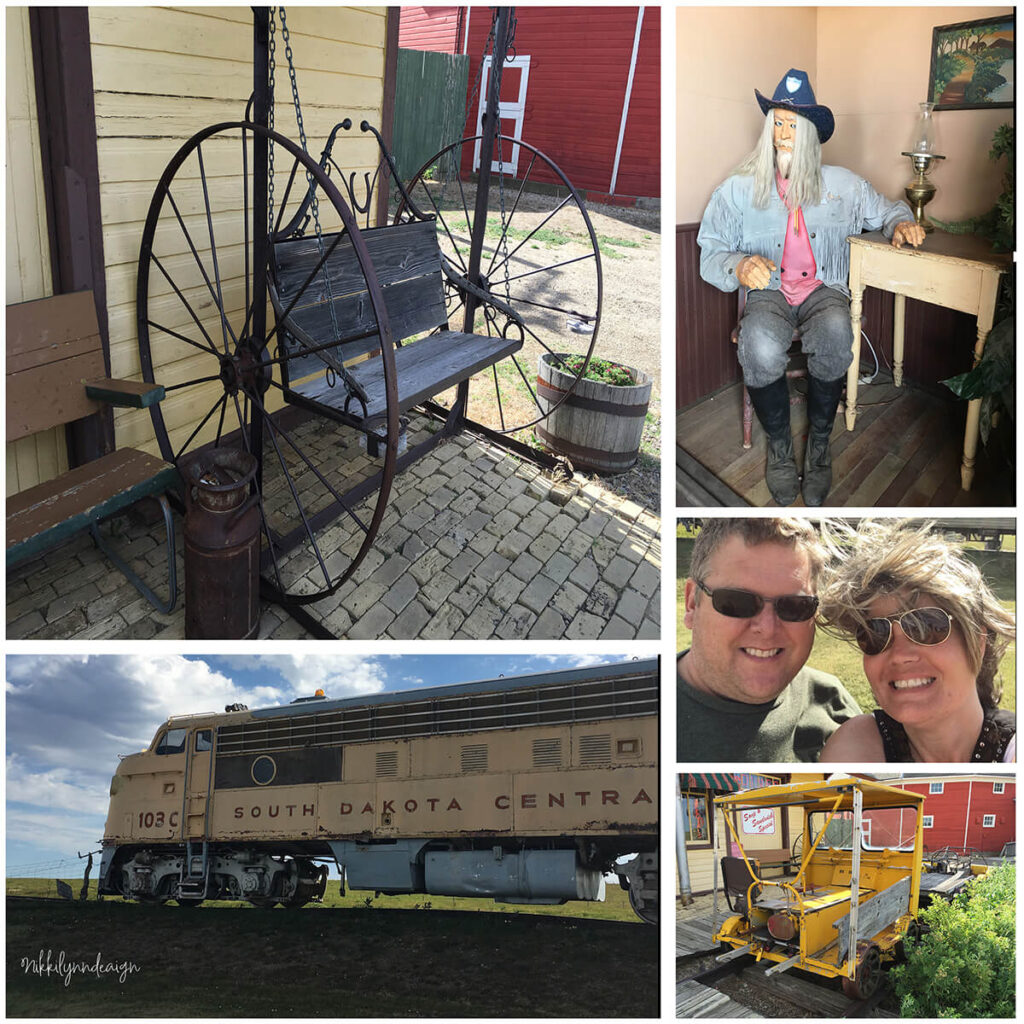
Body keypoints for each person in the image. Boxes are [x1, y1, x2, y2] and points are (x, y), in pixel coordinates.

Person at [697, 69, 926, 507]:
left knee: (838, 334)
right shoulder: (738, 190)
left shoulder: (844, 186)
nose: (783, 135)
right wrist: (739, 263)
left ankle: (819, 447)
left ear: (810, 135)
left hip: (825, 289)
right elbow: (710, 250)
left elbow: (888, 210)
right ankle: (781, 449)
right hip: (770, 292)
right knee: (759, 345)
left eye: (792, 126)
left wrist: (901, 224)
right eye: (777, 124)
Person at [817, 520, 1016, 762]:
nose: (900, 655)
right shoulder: (855, 748)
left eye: (925, 627)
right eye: (875, 634)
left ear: (978, 640)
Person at [678, 518, 860, 761]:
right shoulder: (645, 705)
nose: (767, 628)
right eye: (738, 602)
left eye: (794, 606)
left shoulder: (835, 706)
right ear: (692, 604)